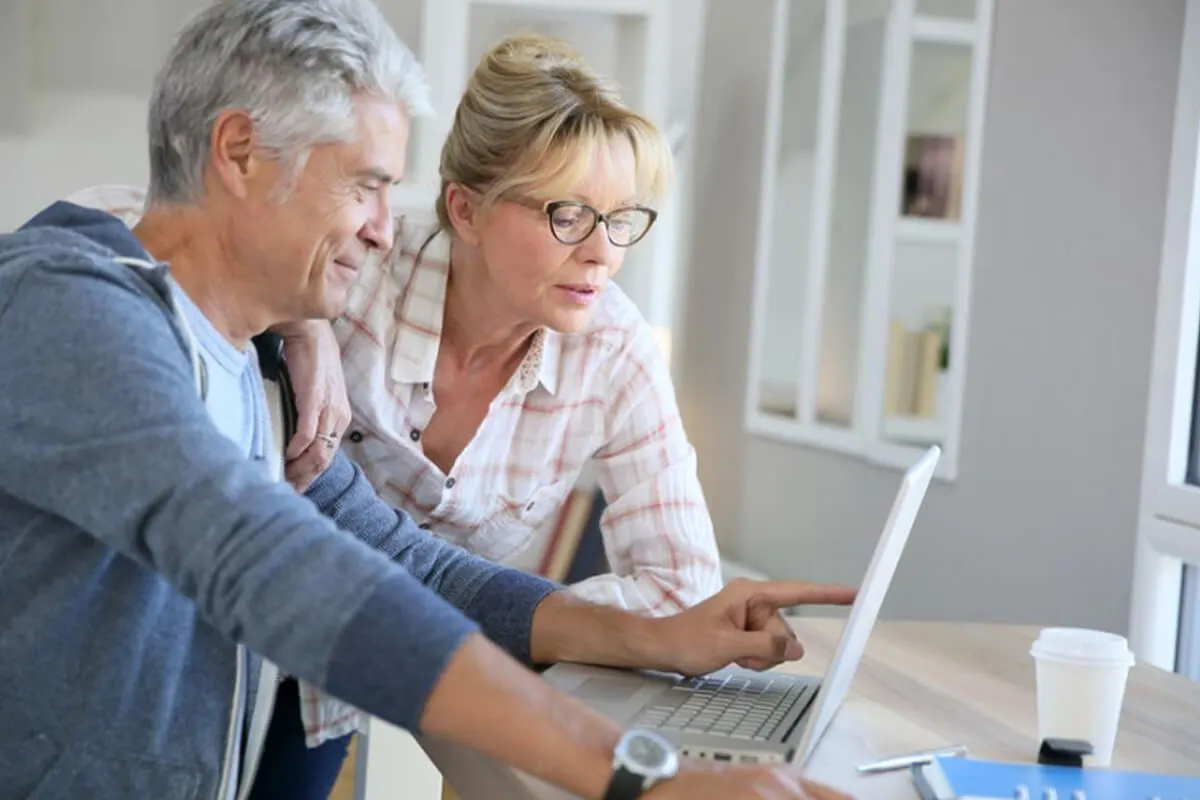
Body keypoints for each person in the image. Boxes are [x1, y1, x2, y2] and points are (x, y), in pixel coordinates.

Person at [0, 2, 858, 799]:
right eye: (366, 184)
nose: (384, 225)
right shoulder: (74, 306)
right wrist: (640, 781)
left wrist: (655, 639)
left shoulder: (253, 370)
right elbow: (270, 559)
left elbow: (416, 566)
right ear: (238, 153)